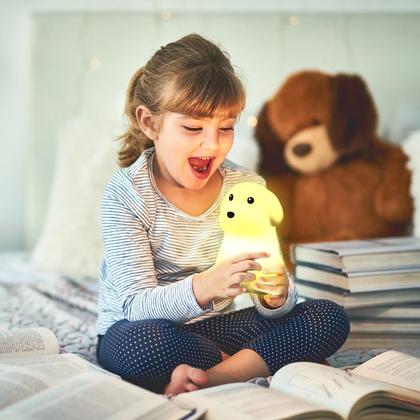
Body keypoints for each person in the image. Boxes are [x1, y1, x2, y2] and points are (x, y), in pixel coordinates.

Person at [96, 33, 350, 394]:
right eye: (192, 127)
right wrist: (206, 286)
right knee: (141, 347)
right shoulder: (126, 194)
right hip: (143, 327)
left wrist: (276, 297)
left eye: (226, 127)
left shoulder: (246, 188)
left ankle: (217, 376)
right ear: (150, 123)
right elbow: (137, 306)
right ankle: (256, 361)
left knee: (328, 317)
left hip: (215, 326)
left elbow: (270, 291)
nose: (212, 143)